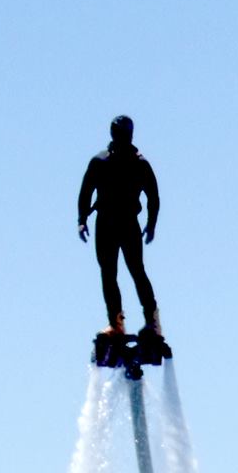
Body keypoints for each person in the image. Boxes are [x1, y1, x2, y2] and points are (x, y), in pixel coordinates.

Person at [77, 114, 161, 339]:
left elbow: (153, 196)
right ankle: (116, 323)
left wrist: (151, 224)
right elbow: (86, 191)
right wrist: (81, 220)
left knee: (136, 270)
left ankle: (152, 321)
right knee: (108, 272)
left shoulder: (139, 164)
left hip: (128, 224)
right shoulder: (100, 162)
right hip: (105, 223)